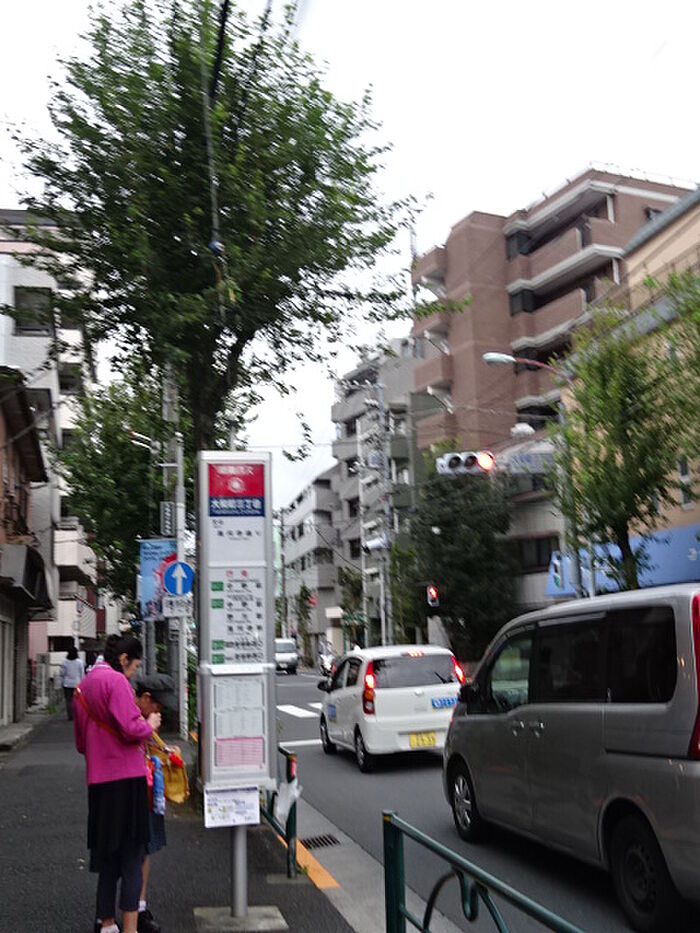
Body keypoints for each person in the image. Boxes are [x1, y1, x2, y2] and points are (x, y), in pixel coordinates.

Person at [73, 635, 160, 933]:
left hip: (99, 783)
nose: (133, 673)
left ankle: (107, 924)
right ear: (123, 659)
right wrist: (149, 725)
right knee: (133, 857)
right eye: (134, 666)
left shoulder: (83, 687)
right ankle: (131, 928)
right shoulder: (117, 682)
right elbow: (131, 728)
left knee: (107, 858)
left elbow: (81, 744)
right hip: (128, 782)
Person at [132, 674, 179, 933]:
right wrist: (148, 728)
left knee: (145, 849)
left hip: (149, 790)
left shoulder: (145, 719)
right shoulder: (132, 717)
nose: (159, 712)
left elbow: (150, 747)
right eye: (158, 706)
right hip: (135, 790)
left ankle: (139, 906)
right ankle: (126, 913)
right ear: (146, 698)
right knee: (134, 852)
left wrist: (166, 750)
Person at [60, 644, 84, 720]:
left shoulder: (64, 662)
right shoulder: (79, 662)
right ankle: (77, 715)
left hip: (67, 683)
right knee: (77, 700)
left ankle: (70, 715)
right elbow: (82, 673)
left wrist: (62, 682)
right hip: (77, 683)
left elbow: (62, 673)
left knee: (68, 700)